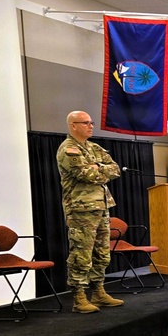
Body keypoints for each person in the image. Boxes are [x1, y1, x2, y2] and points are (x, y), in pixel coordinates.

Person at [55, 111, 124, 314]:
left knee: (102, 252)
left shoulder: (93, 147)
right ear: (73, 126)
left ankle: (99, 292)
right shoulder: (68, 149)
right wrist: (99, 169)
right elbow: (86, 175)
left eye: (91, 122)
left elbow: (116, 168)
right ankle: (79, 297)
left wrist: (98, 167)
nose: (91, 126)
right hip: (81, 209)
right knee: (81, 253)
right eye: (86, 123)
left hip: (101, 207)